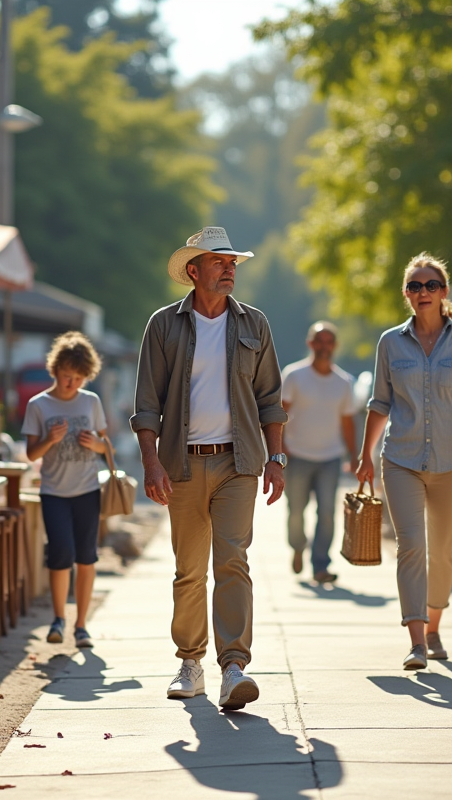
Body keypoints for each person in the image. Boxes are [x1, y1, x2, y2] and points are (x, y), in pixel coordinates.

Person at [132, 226, 288, 711]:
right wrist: (152, 462)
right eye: (220, 262)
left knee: (233, 562)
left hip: (238, 463)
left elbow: (270, 399)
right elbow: (146, 404)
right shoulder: (163, 326)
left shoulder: (254, 325)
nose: (229, 269)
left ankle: (234, 666)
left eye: (233, 263)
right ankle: (190, 663)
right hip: (180, 465)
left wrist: (277, 459)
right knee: (188, 572)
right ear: (193, 271)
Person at [355, 253, 452, 671]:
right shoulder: (390, 342)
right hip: (401, 460)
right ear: (406, 295)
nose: (423, 292)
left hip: (451, 463)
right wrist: (364, 456)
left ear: (444, 292)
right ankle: (416, 640)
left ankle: (434, 627)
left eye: (431, 285)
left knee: (443, 552)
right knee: (411, 546)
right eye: (414, 286)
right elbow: (379, 402)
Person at [22, 332, 109, 649]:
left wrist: (97, 444)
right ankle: (58, 619)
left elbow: (106, 446)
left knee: (87, 558)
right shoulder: (38, 405)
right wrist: (50, 440)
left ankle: (82, 625)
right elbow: (32, 454)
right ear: (54, 370)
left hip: (87, 490)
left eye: (78, 378)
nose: (71, 383)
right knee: (60, 555)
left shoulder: (91, 401)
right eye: (66, 376)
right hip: (54, 492)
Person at [282, 321, 358, 584]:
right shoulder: (294, 376)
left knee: (327, 512)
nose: (324, 347)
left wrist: (355, 456)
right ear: (310, 344)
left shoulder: (343, 382)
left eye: (329, 342)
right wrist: (279, 448)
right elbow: (279, 414)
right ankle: (298, 546)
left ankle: (321, 565)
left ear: (335, 346)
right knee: (295, 511)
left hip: (330, 457)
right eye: (319, 341)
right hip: (297, 455)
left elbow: (348, 422)